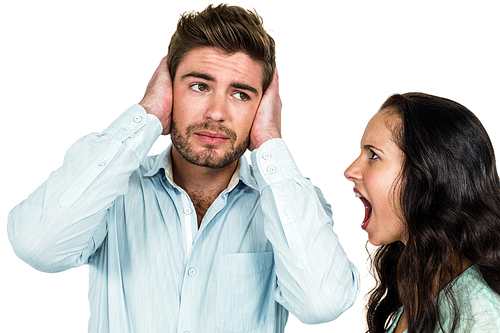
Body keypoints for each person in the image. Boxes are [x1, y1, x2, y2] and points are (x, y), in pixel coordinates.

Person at [8, 4, 359, 333]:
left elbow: (322, 303)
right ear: (169, 87)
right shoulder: (115, 189)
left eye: (241, 94)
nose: (216, 112)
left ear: (263, 105)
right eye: (199, 86)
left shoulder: (290, 205)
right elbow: (38, 245)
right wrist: (147, 113)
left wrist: (269, 140)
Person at [344, 92, 500, 333]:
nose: (350, 170)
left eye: (374, 155)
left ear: (428, 175)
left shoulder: (481, 314)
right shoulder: (420, 288)